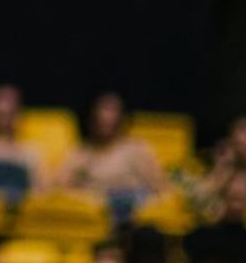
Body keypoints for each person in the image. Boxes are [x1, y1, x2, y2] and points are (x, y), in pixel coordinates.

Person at [53, 91, 167, 222]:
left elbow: (162, 191)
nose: (105, 117)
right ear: (91, 117)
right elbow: (58, 193)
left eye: (112, 111)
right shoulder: (79, 154)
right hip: (93, 223)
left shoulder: (137, 150)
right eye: (101, 110)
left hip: (131, 222)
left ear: (122, 117)